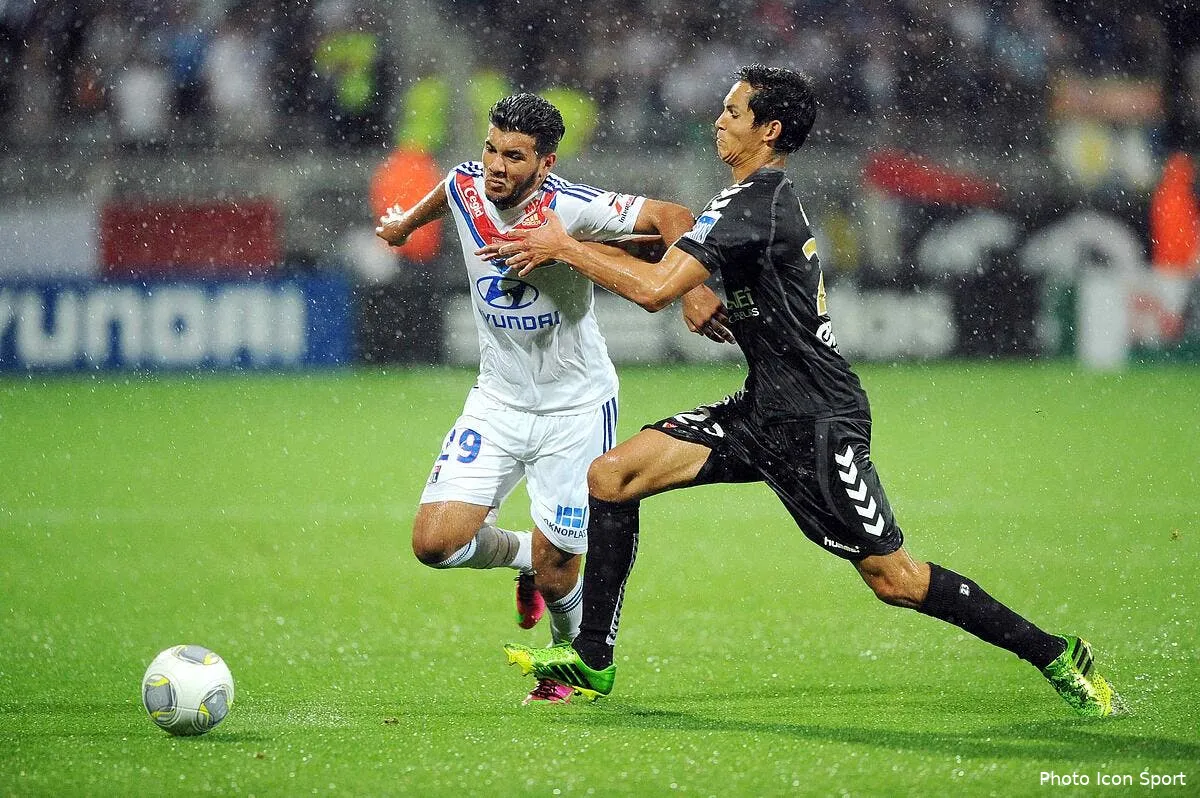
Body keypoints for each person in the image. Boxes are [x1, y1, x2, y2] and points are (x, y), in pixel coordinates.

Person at [492, 66, 1126, 718]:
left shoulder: (754, 204)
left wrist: (564, 245)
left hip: (818, 422)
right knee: (613, 475)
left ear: (769, 130)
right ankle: (594, 658)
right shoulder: (746, 202)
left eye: (734, 111)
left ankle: (1054, 652)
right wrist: (706, 294)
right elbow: (708, 280)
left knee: (896, 580)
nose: (719, 120)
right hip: (764, 407)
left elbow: (656, 289)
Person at [375, 93, 730, 705]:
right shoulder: (467, 185)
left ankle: (565, 670)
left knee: (563, 569)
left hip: (576, 411)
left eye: (514, 156)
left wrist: (694, 292)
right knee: (434, 546)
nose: (495, 166)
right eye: (491, 148)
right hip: (497, 403)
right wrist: (407, 224)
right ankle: (524, 562)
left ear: (545, 162)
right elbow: (451, 187)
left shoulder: (573, 207)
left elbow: (673, 215)